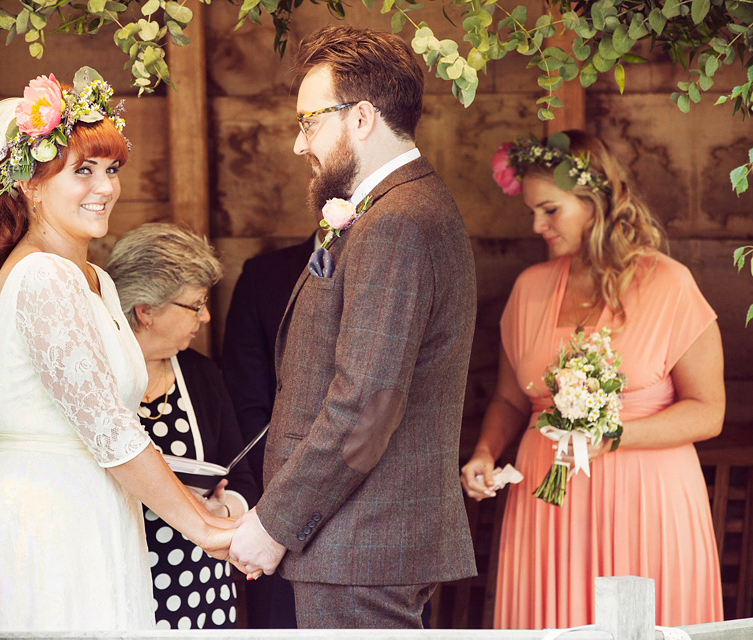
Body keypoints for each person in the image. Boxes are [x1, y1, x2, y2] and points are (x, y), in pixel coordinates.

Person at [0, 68, 238, 633]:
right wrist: (204, 528)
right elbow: (110, 430)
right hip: (46, 523)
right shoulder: (43, 277)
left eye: (111, 169)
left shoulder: (94, 279)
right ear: (31, 185)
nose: (106, 187)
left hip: (94, 513)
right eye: (82, 171)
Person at [228, 26, 478, 629]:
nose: (298, 144)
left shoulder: (397, 222)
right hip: (360, 543)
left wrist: (275, 522)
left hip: (361, 547)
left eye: (309, 122)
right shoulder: (394, 210)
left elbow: (367, 406)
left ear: (361, 116)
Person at [460, 130, 724, 628]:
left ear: (593, 200)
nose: (537, 225)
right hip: (546, 505)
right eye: (533, 211)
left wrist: (616, 434)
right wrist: (484, 452)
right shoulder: (529, 289)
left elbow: (709, 411)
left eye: (549, 210)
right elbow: (511, 400)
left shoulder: (669, 284)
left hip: (647, 506)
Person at [105, 223, 259, 629]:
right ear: (146, 311)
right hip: (119, 575)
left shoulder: (201, 374)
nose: (206, 317)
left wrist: (222, 508)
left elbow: (242, 477)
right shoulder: (97, 376)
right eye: (194, 305)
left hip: (200, 585)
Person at [221, 235, 317, 629]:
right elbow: (248, 406)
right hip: (277, 509)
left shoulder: (398, 267)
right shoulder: (265, 276)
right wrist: (276, 514)